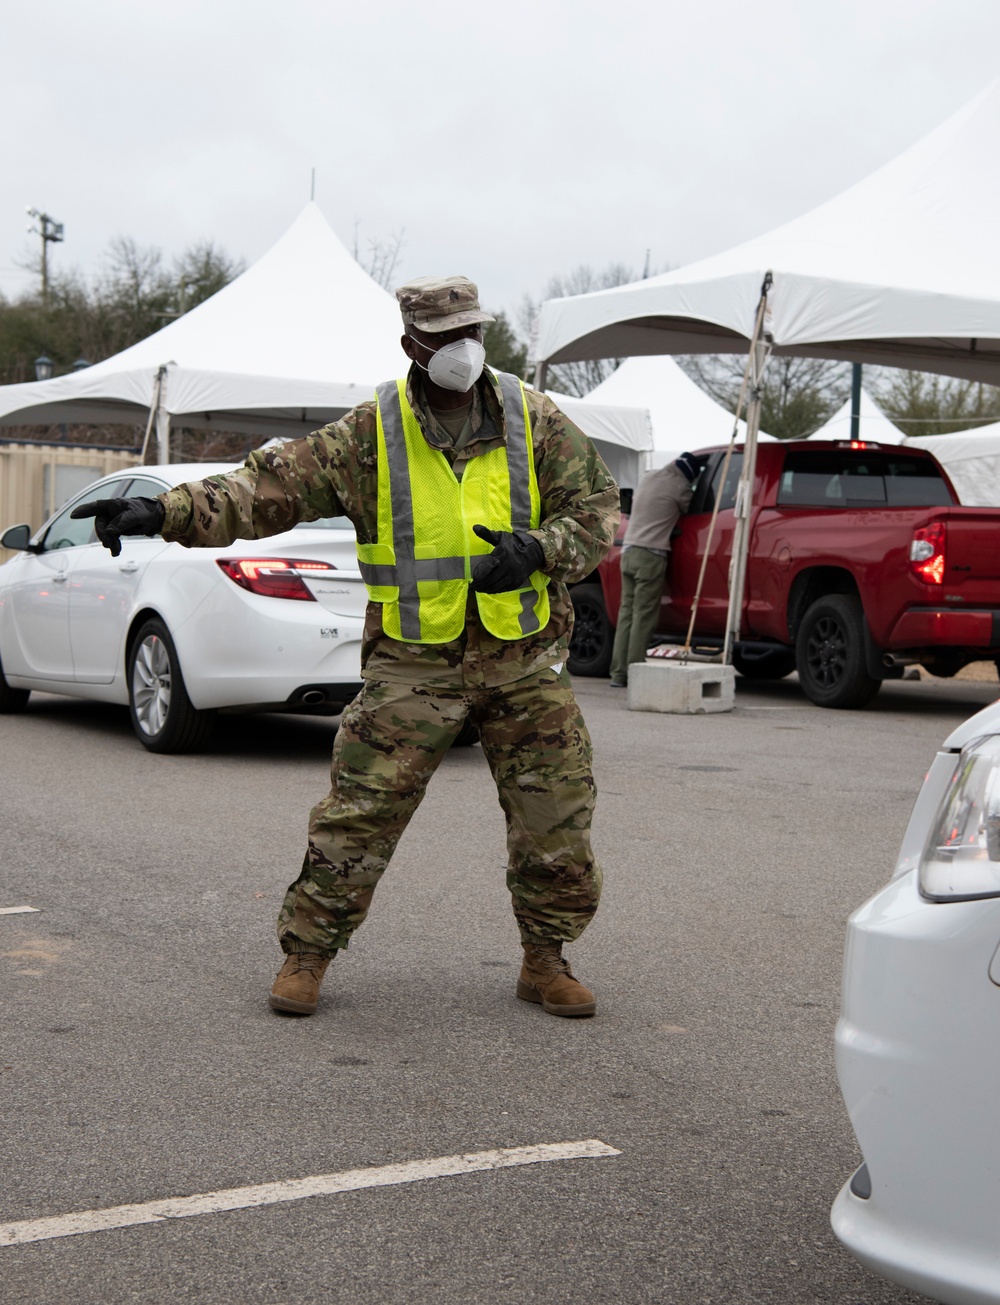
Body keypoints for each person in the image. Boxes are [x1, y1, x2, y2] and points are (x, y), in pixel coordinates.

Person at [72, 275, 619, 1020]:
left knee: (556, 811)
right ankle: (307, 954)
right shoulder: (372, 432)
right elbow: (263, 490)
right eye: (444, 338)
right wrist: (160, 508)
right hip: (414, 658)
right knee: (359, 812)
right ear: (411, 347)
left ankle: (546, 958)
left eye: (471, 332)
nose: (463, 349)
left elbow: (595, 508)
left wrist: (539, 549)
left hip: (520, 652)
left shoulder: (535, 418)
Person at [608, 453, 698, 688]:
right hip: (650, 555)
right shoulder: (681, 487)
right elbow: (690, 510)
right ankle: (635, 669)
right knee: (643, 616)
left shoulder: (649, 477)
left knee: (626, 613)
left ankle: (618, 673)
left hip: (627, 551)